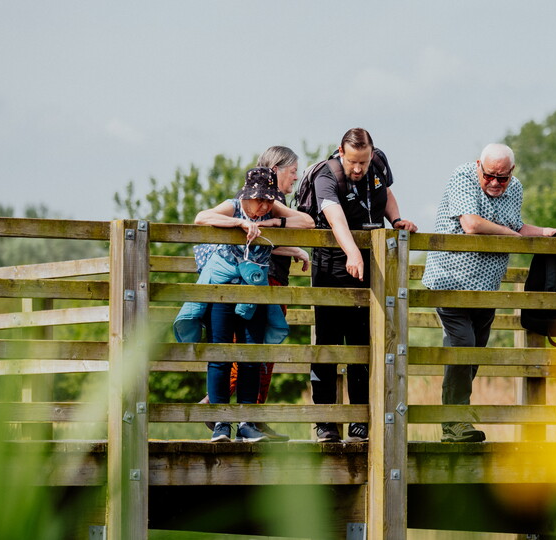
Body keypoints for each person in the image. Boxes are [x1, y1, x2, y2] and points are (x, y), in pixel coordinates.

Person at [421, 143, 556, 443]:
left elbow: (516, 226)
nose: (495, 183)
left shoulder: (515, 188)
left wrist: (550, 231)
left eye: (503, 178)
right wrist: (515, 237)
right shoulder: (463, 176)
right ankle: (455, 423)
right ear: (479, 165)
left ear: (512, 173)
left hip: (487, 286)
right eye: (490, 176)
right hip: (451, 281)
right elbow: (471, 224)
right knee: (463, 346)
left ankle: (454, 421)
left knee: (476, 350)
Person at [173, 167, 314, 443]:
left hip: (253, 289)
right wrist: (238, 224)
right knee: (221, 354)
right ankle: (221, 423)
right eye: (259, 199)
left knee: (252, 354)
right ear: (247, 195)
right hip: (223, 288)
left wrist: (276, 225)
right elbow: (201, 218)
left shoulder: (270, 212)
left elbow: (307, 223)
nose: (263, 205)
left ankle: (248, 424)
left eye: (268, 200)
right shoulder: (234, 206)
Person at [310, 128, 418, 443]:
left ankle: (359, 420)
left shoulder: (378, 163)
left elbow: (387, 194)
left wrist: (396, 219)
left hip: (369, 268)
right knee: (328, 346)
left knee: (362, 345)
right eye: (353, 162)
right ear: (341, 153)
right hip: (332, 270)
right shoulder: (325, 175)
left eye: (364, 161)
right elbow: (334, 218)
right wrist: (353, 252)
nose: (358, 169)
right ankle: (326, 422)